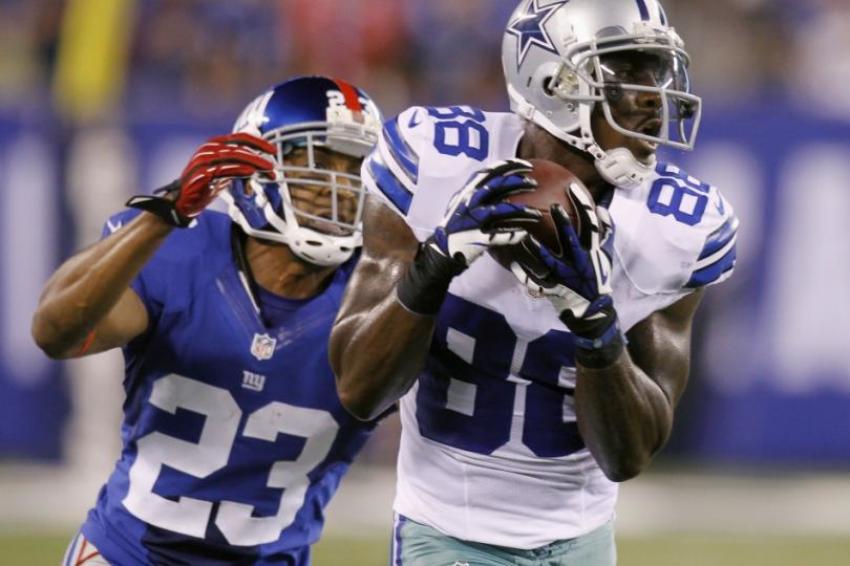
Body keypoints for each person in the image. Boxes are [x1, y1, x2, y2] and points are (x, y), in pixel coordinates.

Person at [330, 1, 738, 564]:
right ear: (551, 82)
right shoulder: (433, 163)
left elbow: (630, 454)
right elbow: (358, 389)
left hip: (582, 540)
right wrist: (436, 266)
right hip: (445, 531)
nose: (653, 96)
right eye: (626, 69)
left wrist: (596, 325)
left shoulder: (679, 227)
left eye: (657, 70)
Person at [32, 75, 384, 565]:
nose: (340, 188)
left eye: (356, 169)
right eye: (318, 163)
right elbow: (55, 333)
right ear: (253, 169)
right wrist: (160, 216)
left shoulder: (379, 294)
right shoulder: (180, 249)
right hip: (127, 553)